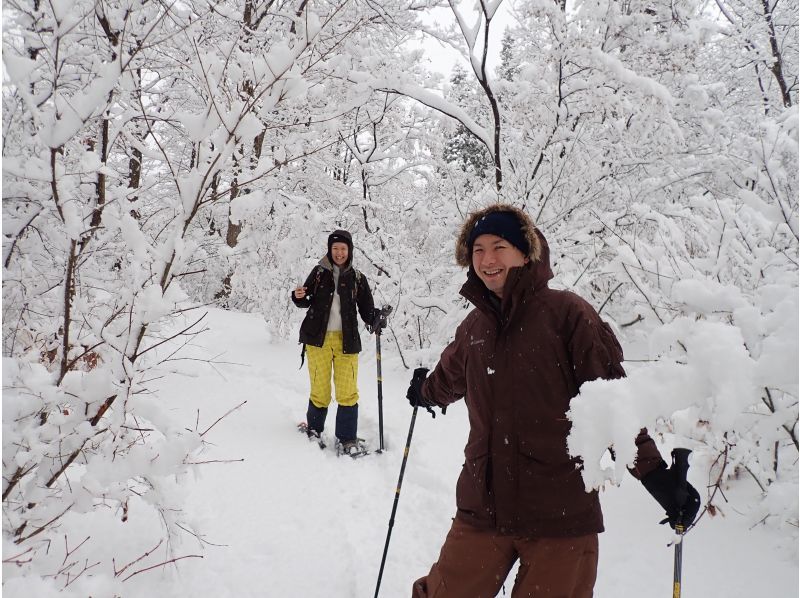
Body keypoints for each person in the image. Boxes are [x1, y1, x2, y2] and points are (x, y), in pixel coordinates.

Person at [404, 203, 701, 597]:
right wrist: (424, 391)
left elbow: (611, 403)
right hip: (483, 507)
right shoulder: (474, 327)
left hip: (560, 514)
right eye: (478, 250)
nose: (487, 260)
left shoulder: (567, 315)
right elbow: (448, 379)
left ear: (526, 253)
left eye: (499, 247)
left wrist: (654, 474)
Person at [292, 229, 386, 455]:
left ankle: (347, 438)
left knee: (347, 391)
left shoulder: (358, 278)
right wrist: (298, 296)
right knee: (320, 390)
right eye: (335, 248)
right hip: (318, 340)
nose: (339, 253)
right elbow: (305, 299)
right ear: (329, 249)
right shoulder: (318, 272)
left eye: (343, 248)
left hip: (347, 342)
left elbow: (366, 310)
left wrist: (376, 318)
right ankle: (314, 429)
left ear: (349, 250)